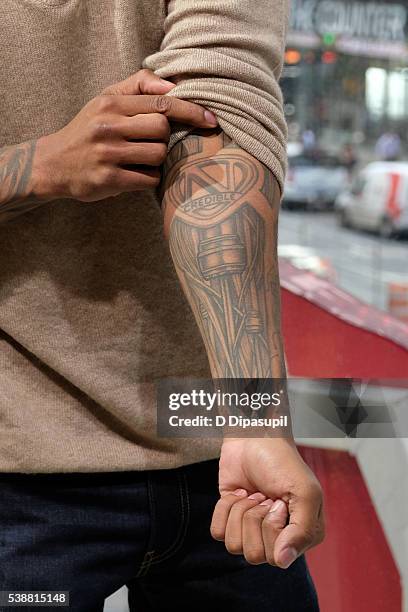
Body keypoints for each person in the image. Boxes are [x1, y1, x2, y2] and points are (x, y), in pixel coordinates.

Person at [0, 1, 324, 611]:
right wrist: (40, 167)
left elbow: (217, 124)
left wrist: (255, 419)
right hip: (19, 464)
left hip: (216, 450)